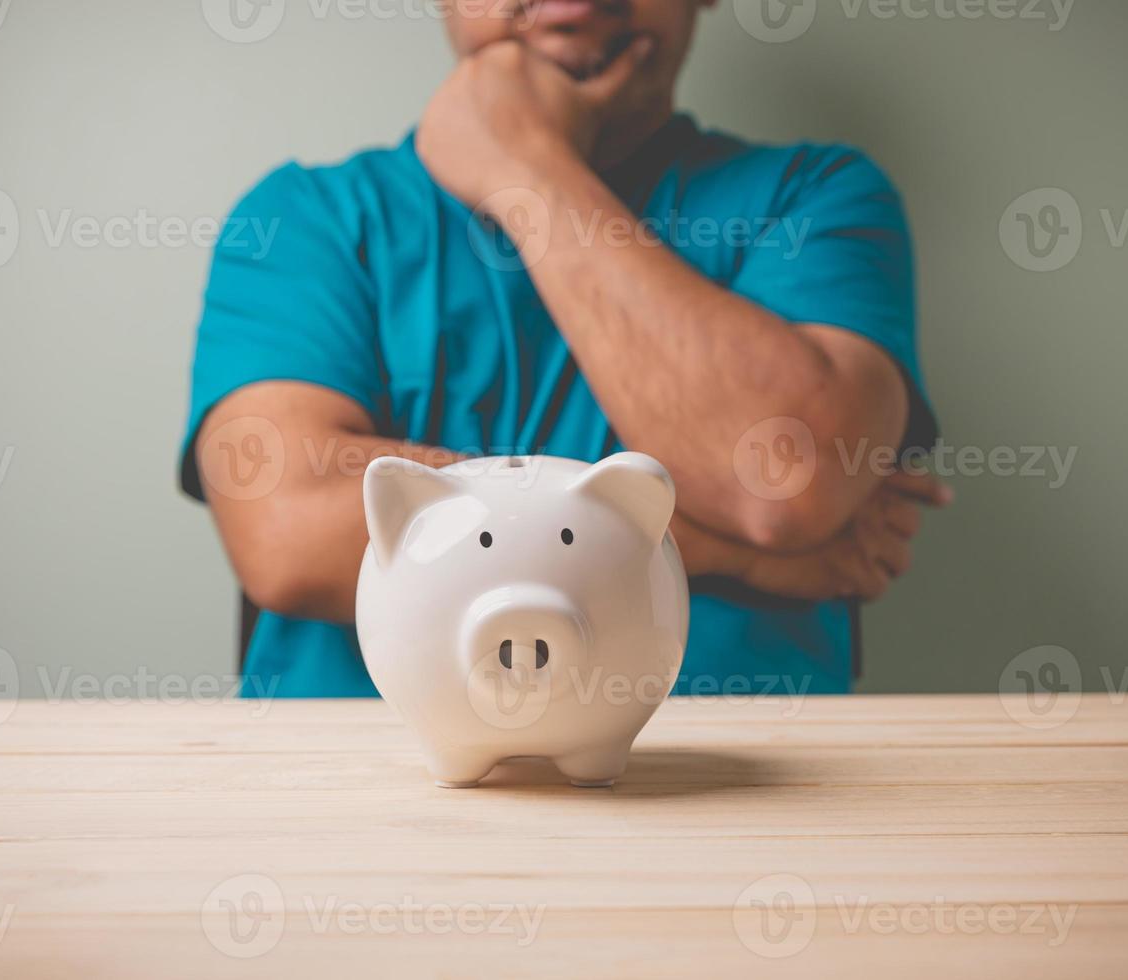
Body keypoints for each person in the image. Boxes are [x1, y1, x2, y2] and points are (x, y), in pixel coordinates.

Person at [180, 0, 951, 697]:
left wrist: (523, 166)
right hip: (355, 803)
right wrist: (735, 552)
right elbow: (286, 527)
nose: (578, 4)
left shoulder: (817, 195)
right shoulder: (304, 219)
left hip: (738, 802)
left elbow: (783, 480)